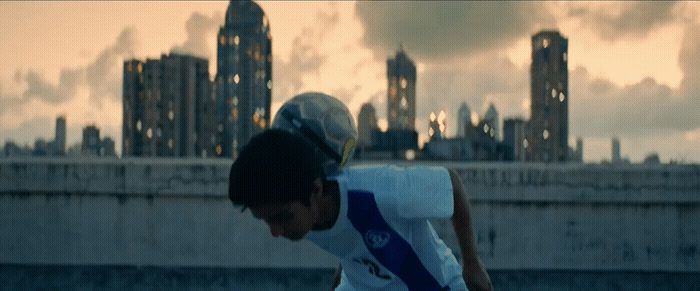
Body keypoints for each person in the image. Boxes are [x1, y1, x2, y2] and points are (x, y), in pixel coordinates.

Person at [229, 129, 493, 291]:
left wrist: (471, 262)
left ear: (316, 191)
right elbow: (348, 239)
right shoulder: (301, 218)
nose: (276, 232)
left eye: (282, 218)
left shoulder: (381, 191)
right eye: (265, 221)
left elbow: (451, 184)